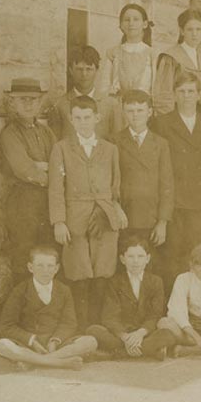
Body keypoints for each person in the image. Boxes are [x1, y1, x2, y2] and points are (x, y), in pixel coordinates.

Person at [49, 95, 129, 328]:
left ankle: (100, 329)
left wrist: (114, 209)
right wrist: (59, 221)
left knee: (103, 271)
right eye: (78, 118)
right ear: (71, 120)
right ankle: (81, 328)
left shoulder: (110, 149)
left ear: (97, 118)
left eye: (87, 117)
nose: (83, 122)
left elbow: (116, 187)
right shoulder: (61, 148)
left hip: (105, 214)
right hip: (75, 217)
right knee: (79, 272)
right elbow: (56, 188)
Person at [154, 71, 201, 293]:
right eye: (181, 91)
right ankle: (174, 308)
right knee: (173, 257)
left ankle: (200, 304)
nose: (187, 96)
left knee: (199, 255)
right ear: (174, 94)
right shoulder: (161, 123)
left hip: (200, 203)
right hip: (174, 202)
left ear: (199, 94)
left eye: (191, 91)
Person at [0, 245, 97, 370]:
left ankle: (33, 362)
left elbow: (69, 323)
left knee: (90, 341)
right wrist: (31, 340)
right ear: (30, 267)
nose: (45, 270)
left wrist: (55, 341)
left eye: (50, 266)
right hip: (30, 344)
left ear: (56, 268)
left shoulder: (64, 290)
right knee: (2, 345)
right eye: (40, 265)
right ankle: (59, 363)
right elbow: (6, 325)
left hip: (55, 344)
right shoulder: (20, 291)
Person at [0, 78, 57, 277]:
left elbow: (59, 163)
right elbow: (23, 169)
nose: (28, 103)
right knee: (25, 255)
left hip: (48, 202)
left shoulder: (46, 132)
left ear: (40, 102)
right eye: (22, 99)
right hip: (23, 202)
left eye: (33, 99)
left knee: (48, 252)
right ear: (12, 102)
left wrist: (45, 167)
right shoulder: (11, 133)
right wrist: (45, 171)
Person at [85, 235, 176, 360]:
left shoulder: (155, 281)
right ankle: (147, 351)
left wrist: (140, 334)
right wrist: (125, 337)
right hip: (122, 334)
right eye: (130, 257)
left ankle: (115, 354)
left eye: (140, 256)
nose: (136, 261)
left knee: (168, 335)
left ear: (148, 258)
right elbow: (110, 316)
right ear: (122, 259)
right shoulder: (114, 282)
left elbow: (155, 314)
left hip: (145, 333)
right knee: (93, 330)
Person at [114, 89, 174, 262]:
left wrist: (162, 222)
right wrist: (116, 207)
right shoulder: (114, 141)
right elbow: (110, 180)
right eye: (130, 111)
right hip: (124, 216)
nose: (135, 115)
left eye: (140, 110)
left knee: (149, 265)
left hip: (151, 217)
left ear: (150, 112)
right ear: (123, 112)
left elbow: (167, 185)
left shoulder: (161, 144)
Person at [48, 45, 122, 141]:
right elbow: (55, 143)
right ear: (70, 70)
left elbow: (117, 142)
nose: (84, 74)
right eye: (79, 69)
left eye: (89, 69)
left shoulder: (110, 105)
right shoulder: (59, 105)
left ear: (97, 71)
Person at [154, 8, 201, 116]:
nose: (194, 34)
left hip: (198, 114)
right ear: (182, 31)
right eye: (190, 29)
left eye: (198, 29)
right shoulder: (171, 56)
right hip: (176, 114)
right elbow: (163, 94)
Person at [98, 3, 157, 98]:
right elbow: (104, 86)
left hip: (142, 106)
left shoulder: (152, 54)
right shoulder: (113, 53)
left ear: (145, 24)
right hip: (118, 105)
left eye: (136, 19)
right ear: (121, 25)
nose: (131, 23)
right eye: (127, 20)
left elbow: (155, 87)